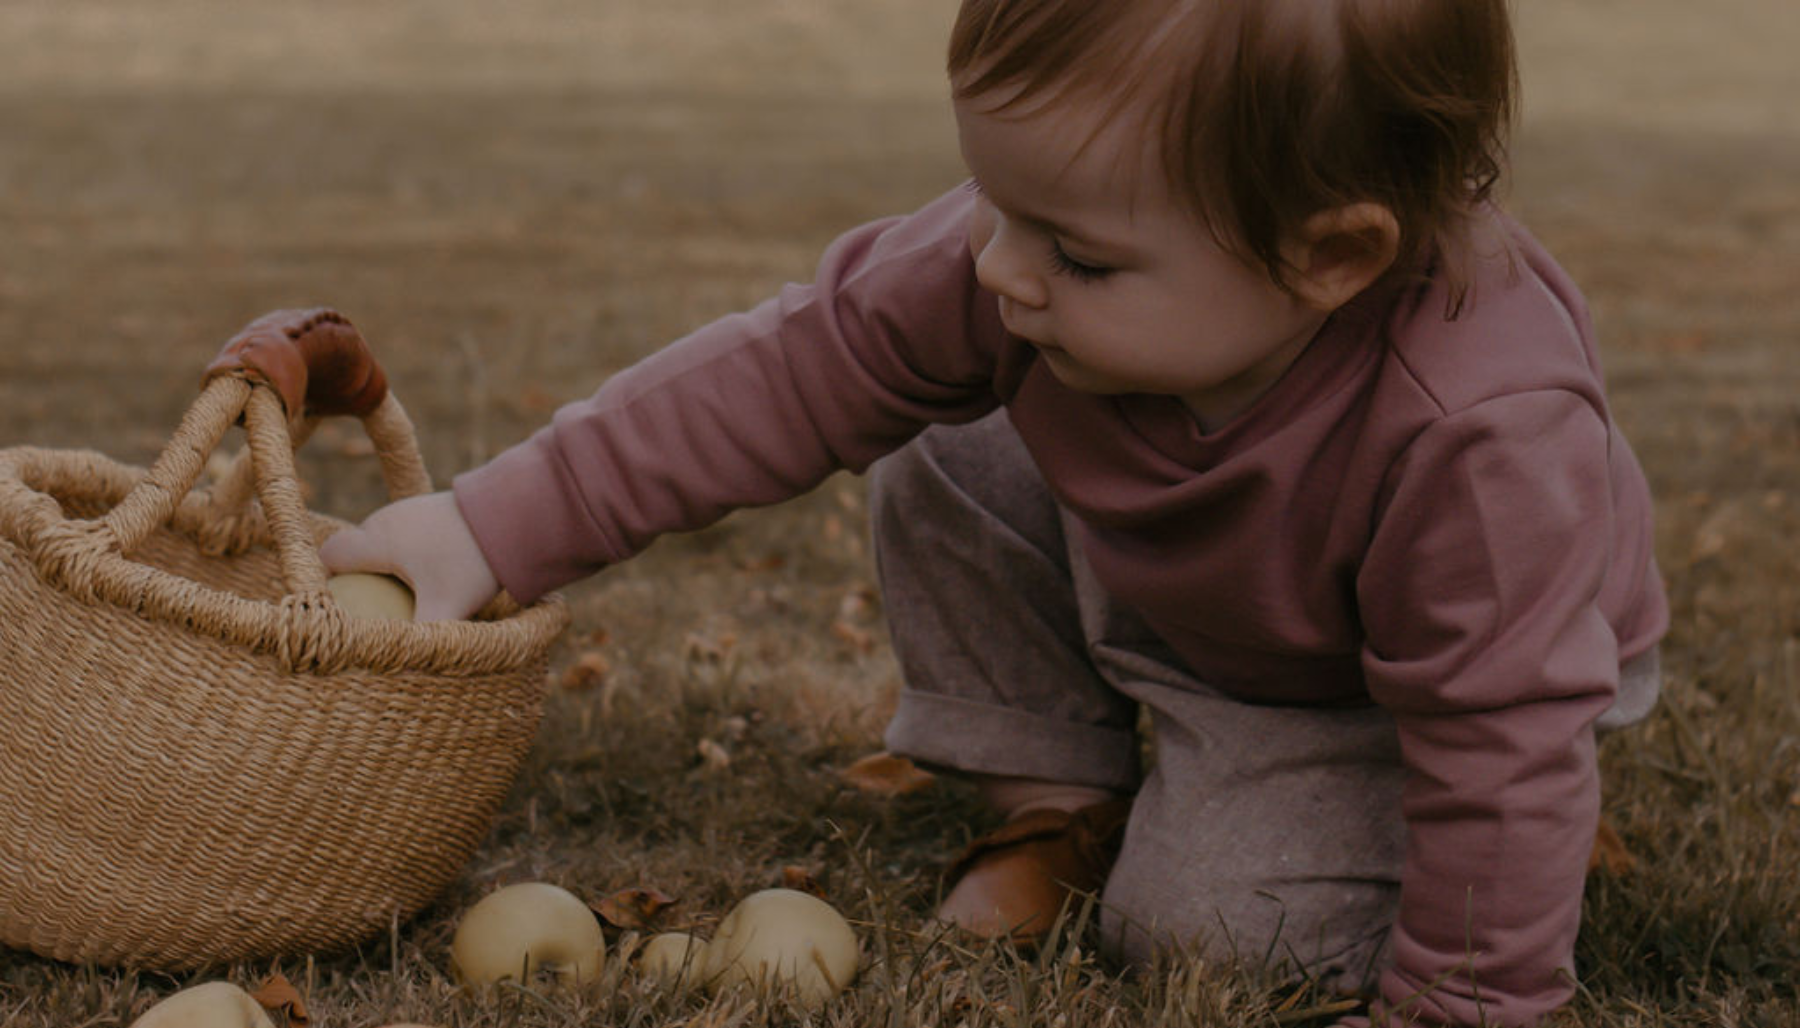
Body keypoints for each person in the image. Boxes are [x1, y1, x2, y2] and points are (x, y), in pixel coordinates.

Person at [320, 1, 1668, 1024]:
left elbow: (1496, 735)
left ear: (1329, 256)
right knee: (946, 439)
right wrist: (489, 526)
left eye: (1075, 252)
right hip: (1184, 566)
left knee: (1210, 926)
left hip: (1385, 689)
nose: (997, 269)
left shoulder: (1478, 436)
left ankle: (1491, 839)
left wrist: (1463, 997)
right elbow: (793, 369)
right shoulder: (1033, 257)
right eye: (997, 204)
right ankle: (1060, 801)